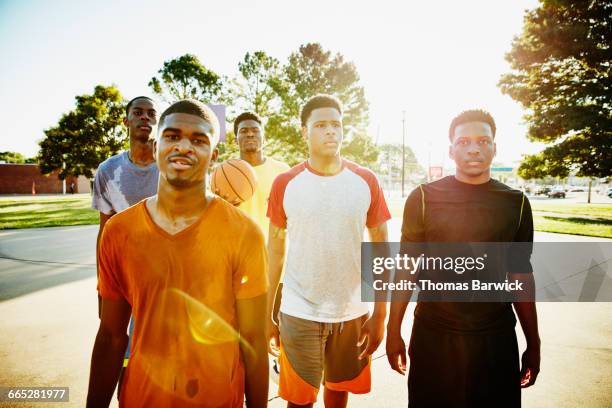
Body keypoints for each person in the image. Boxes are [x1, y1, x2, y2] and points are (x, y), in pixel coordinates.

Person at [87, 99, 269, 408]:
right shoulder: (119, 232)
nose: (184, 146)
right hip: (142, 397)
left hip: (218, 399)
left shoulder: (245, 233)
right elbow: (111, 336)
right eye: (172, 136)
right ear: (157, 145)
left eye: (198, 140)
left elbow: (253, 340)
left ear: (213, 155)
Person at [386, 109, 541, 407]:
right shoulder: (422, 198)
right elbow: (407, 269)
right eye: (464, 141)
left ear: (495, 148)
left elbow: (521, 274)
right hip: (434, 335)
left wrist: (533, 342)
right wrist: (393, 331)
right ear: (451, 149)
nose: (474, 148)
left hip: (495, 339)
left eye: (484, 141)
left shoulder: (517, 203)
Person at [266, 94, 391, 408]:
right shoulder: (285, 183)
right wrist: (267, 313)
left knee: (338, 394)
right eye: (321, 125)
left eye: (336, 124)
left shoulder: (366, 181)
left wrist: (381, 314)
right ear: (304, 131)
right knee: (300, 402)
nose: (331, 131)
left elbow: (381, 250)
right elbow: (275, 252)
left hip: (351, 311)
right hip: (298, 310)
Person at [91, 96, 159, 394]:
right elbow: (105, 230)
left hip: (165, 275)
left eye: (151, 113)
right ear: (126, 121)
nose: (145, 117)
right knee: (117, 345)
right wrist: (101, 282)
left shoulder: (173, 166)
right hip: (123, 275)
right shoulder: (108, 170)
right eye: (138, 112)